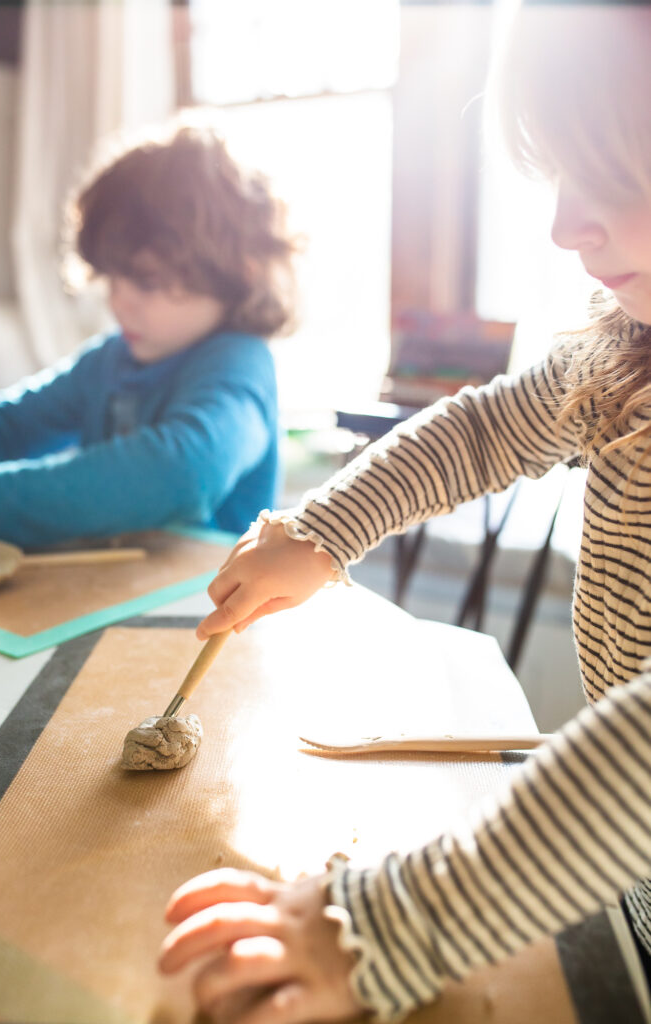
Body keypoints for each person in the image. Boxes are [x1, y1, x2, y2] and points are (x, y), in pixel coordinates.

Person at [158, 6, 651, 1024]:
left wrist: (392, 924)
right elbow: (480, 431)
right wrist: (323, 529)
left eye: (612, 171)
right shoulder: (622, 346)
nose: (565, 224)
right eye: (559, 172)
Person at [0, 120, 298, 549]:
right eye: (112, 277)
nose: (117, 302)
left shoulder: (240, 366)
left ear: (234, 273)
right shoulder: (111, 359)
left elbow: (184, 473)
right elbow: (5, 420)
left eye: (145, 282)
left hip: (205, 604)